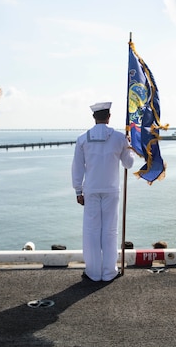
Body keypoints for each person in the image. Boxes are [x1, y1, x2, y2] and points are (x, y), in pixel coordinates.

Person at [71, 102, 135, 281]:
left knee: (91, 231)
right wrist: (129, 146)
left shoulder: (82, 138)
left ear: (94, 117)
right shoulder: (119, 138)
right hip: (111, 189)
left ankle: (93, 272)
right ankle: (109, 272)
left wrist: (78, 190)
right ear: (109, 116)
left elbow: (77, 167)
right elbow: (128, 164)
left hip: (90, 189)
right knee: (110, 230)